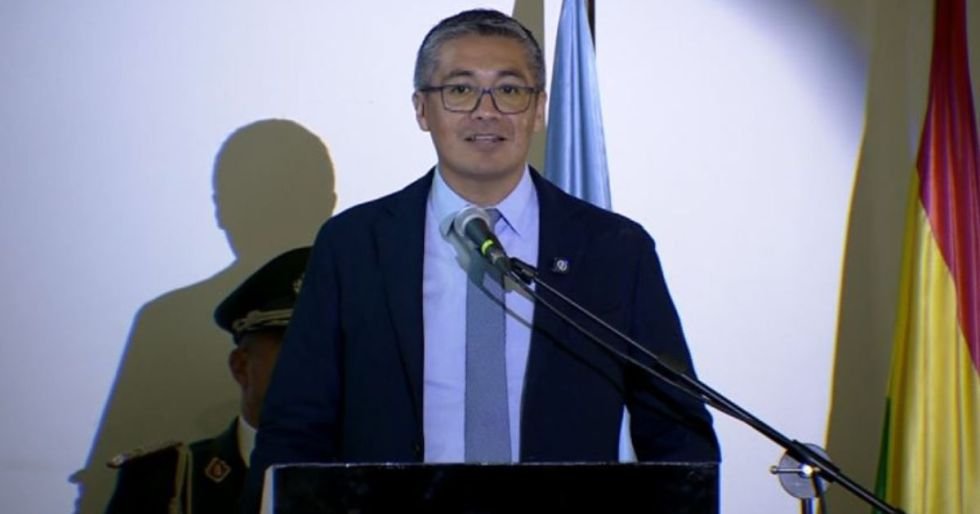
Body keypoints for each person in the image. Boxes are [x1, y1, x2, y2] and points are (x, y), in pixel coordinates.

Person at [244, 8, 719, 513]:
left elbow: (678, 437)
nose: (485, 111)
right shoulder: (355, 246)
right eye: (460, 89)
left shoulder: (613, 250)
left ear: (539, 109)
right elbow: (295, 430)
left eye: (509, 90)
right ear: (422, 110)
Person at [105, 247, 310, 514]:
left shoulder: (363, 476)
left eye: (338, 348)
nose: (321, 365)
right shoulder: (164, 483)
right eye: (296, 347)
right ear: (241, 366)